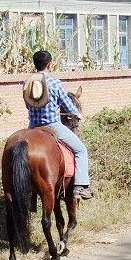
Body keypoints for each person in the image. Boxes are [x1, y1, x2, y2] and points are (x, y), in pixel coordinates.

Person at [23, 50, 93, 200]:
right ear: (49, 64)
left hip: (33, 126)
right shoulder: (56, 83)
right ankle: (80, 187)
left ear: (35, 64)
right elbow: (67, 104)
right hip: (53, 126)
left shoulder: (27, 82)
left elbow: (28, 105)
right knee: (81, 150)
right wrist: (77, 114)